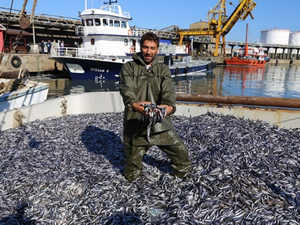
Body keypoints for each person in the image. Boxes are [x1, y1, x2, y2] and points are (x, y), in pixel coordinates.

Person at [119, 32, 192, 182]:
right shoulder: (128, 68)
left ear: (157, 50)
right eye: (145, 47)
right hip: (135, 124)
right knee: (131, 172)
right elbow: (127, 91)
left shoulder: (163, 69)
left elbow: (168, 91)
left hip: (160, 124)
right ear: (140, 48)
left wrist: (168, 107)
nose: (148, 51)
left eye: (152, 48)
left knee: (182, 156)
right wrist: (137, 106)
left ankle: (181, 179)